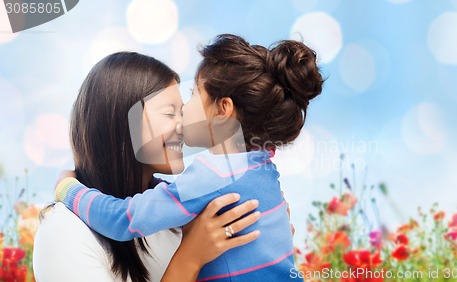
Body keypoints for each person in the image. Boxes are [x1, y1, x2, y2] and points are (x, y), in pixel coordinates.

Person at [54, 34, 324, 281]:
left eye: (193, 96)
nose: (182, 118)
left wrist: (69, 189)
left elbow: (124, 219)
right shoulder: (262, 166)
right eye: (170, 112)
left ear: (223, 110)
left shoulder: (211, 175)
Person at [33, 51, 262, 282]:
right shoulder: (63, 231)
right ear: (122, 121)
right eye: (170, 113)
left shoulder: (179, 219)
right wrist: (191, 257)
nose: (184, 125)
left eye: (182, 112)